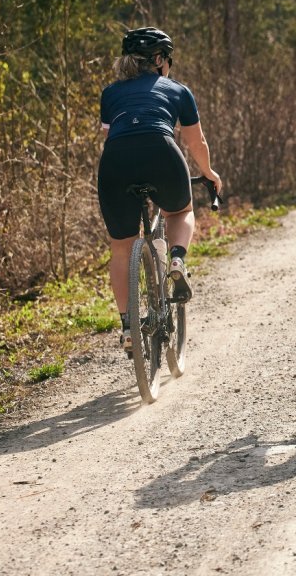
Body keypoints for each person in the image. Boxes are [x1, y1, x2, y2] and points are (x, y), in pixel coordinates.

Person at [98, 27, 222, 355]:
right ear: (158, 60)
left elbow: (114, 136)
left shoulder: (110, 93)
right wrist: (208, 174)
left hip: (116, 162)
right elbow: (197, 142)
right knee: (180, 211)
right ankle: (177, 260)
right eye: (168, 58)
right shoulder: (178, 90)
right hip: (161, 151)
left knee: (121, 247)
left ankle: (127, 325)